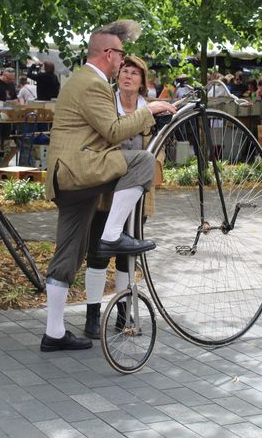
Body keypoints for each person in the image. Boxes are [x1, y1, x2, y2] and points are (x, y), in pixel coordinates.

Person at [40, 20, 176, 352]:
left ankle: (53, 333)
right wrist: (153, 110)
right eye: (121, 56)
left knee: (68, 255)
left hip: (71, 178)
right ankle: (113, 233)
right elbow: (114, 132)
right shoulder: (92, 83)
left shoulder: (83, 80)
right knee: (143, 160)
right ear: (109, 53)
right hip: (79, 171)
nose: (123, 64)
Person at [83, 55, 156, 338]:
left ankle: (124, 314)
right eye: (124, 71)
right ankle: (92, 316)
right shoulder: (106, 104)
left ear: (142, 81)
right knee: (99, 253)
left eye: (134, 74)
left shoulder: (150, 110)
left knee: (128, 256)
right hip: (105, 189)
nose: (128, 77)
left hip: (136, 196)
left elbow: (158, 148)